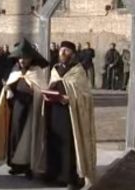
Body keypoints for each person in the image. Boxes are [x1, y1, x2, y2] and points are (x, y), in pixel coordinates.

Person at [0, 38, 48, 179]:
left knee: (29, 138)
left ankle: (28, 167)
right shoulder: (15, 71)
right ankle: (15, 165)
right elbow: (9, 91)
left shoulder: (36, 72)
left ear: (31, 59)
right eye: (20, 59)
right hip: (16, 109)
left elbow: (42, 90)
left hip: (31, 110)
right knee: (14, 136)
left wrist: (34, 89)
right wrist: (8, 89)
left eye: (24, 58)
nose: (22, 61)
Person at [44, 41, 96, 190]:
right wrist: (48, 94)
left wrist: (71, 98)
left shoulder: (78, 71)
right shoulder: (55, 69)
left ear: (72, 53)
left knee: (69, 144)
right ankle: (55, 175)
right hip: (54, 111)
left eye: (65, 51)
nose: (62, 53)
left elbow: (85, 94)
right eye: (61, 51)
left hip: (70, 114)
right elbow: (52, 85)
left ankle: (71, 178)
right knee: (54, 141)